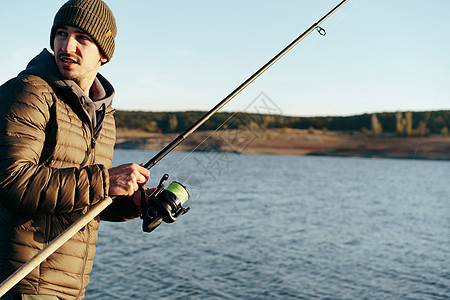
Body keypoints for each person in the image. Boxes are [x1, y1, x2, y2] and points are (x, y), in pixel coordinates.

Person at [0, 0, 152, 299]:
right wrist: (105, 181)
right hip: (21, 282)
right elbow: (11, 182)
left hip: (71, 287)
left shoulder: (104, 117)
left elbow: (81, 201)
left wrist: (131, 202)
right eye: (61, 33)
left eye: (82, 37)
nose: (67, 45)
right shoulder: (28, 91)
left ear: (104, 54)